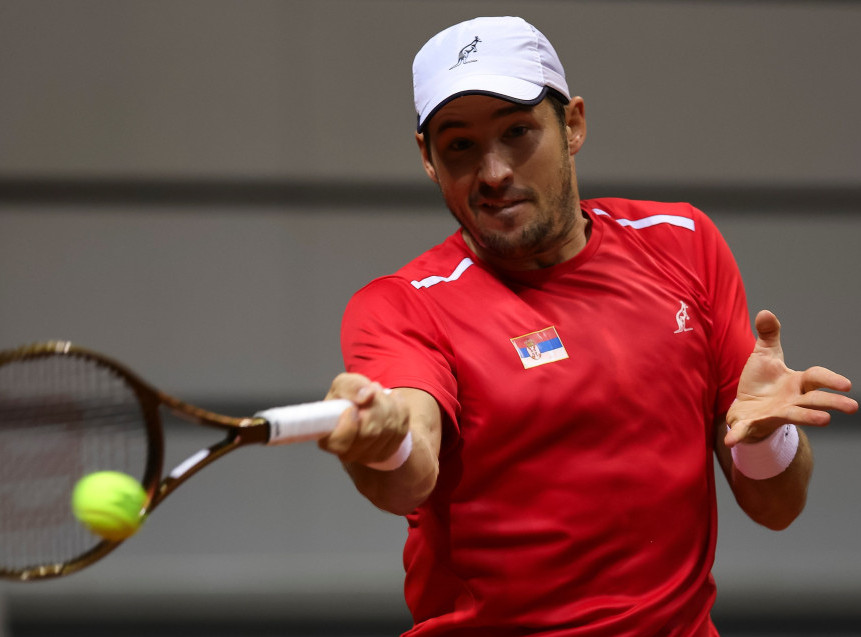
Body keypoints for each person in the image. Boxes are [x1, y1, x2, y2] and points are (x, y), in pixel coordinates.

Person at [316, 16, 858, 636]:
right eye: (459, 145)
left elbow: (777, 507)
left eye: (517, 132)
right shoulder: (404, 305)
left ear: (572, 124)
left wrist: (764, 440)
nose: (492, 172)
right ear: (428, 159)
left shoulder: (684, 244)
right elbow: (407, 479)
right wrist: (386, 442)